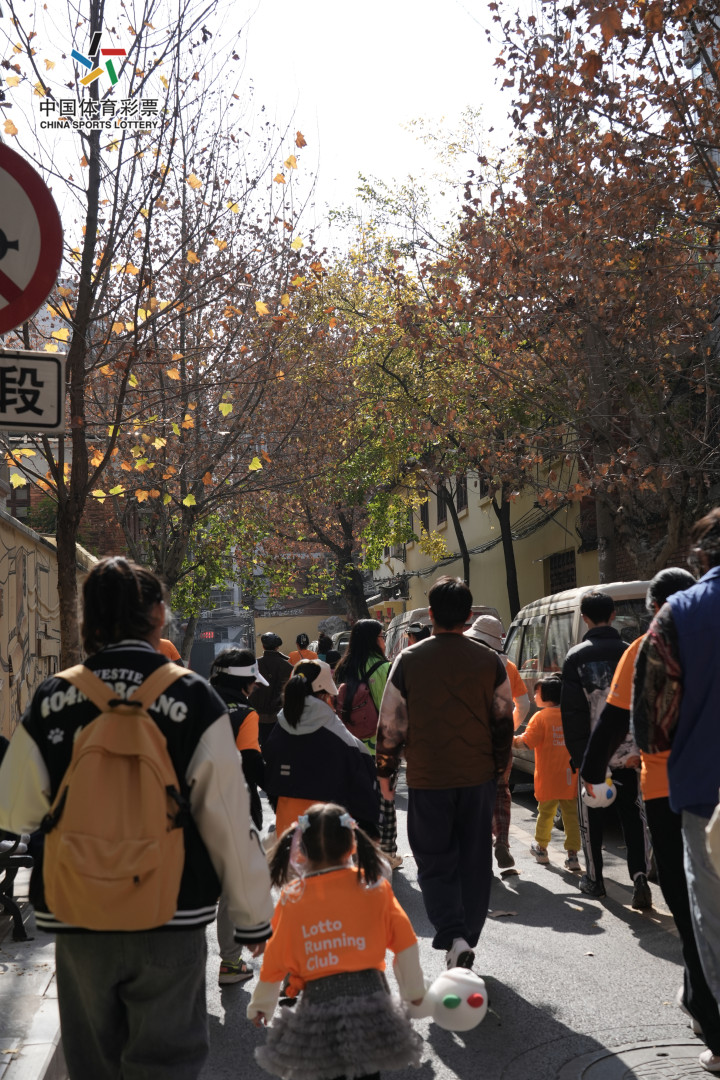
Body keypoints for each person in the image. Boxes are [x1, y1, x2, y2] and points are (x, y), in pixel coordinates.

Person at [0, 556, 273, 1080]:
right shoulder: (193, 696)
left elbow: (16, 809)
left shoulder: (55, 697)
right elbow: (228, 817)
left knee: (94, 1065)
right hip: (171, 912)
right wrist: (252, 914)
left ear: (87, 619)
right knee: (167, 1063)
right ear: (159, 615)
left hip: (79, 914)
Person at [583, 568, 720, 1070]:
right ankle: (697, 999)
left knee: (690, 909)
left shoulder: (649, 643)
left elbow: (615, 718)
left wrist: (591, 773)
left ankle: (713, 1025)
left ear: (655, 607)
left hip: (670, 792)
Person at [377, 576, 514, 970]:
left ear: (431, 614)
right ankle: (466, 936)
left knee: (434, 859)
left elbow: (391, 724)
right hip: (478, 777)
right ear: (468, 616)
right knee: (475, 859)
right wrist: (500, 771)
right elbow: (503, 721)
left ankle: (452, 934)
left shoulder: (408, 660)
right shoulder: (491, 661)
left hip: (428, 777)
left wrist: (385, 774)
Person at [247, 803, 424, 1080]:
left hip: (318, 1013)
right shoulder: (375, 887)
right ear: (353, 844)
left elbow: (276, 957)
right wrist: (413, 991)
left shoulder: (293, 897)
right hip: (371, 1007)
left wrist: (262, 1003)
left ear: (301, 850)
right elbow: (405, 943)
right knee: (368, 1073)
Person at [633, 510, 720, 1026]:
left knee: (713, 923)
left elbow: (652, 726)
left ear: (701, 557)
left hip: (706, 794)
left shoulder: (678, 615)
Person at [560, 591, 649, 904]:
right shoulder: (632, 652)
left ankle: (595, 879)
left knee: (591, 821)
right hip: (631, 754)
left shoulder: (575, 657)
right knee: (634, 817)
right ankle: (640, 877)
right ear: (613, 615)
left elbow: (573, 716)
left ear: (584, 618)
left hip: (595, 757)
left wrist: (580, 759)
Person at [263, 659, 380, 839]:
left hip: (287, 830)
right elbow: (363, 791)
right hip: (328, 835)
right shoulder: (341, 737)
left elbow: (270, 779)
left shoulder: (279, 729)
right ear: (325, 695)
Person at [209, 647, 268, 986]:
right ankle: (231, 964)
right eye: (253, 683)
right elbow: (252, 764)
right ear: (244, 683)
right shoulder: (245, 714)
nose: (254, 688)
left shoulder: (192, 703)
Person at [465, 614, 530, 873]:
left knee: (475, 794)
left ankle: (481, 850)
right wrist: (509, 728)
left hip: (470, 741)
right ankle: (502, 840)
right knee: (501, 791)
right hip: (500, 741)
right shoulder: (508, 666)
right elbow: (523, 704)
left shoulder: (464, 662)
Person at [335, 619, 402, 870]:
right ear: (375, 639)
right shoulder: (384, 669)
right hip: (381, 747)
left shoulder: (342, 668)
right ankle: (387, 853)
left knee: (355, 801)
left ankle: (357, 851)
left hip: (349, 746)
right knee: (385, 801)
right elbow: (393, 711)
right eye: (382, 636)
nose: (384, 640)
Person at [513, 674, 581, 869]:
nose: (534, 696)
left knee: (545, 813)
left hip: (548, 776)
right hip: (570, 776)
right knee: (571, 816)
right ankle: (573, 856)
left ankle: (541, 849)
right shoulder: (571, 716)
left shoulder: (540, 717)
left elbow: (526, 743)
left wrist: (508, 739)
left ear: (547, 696)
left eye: (537, 692)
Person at [249, 632, 293, 750]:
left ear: (263, 646)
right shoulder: (288, 667)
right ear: (277, 647)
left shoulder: (254, 666)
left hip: (257, 715)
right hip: (280, 716)